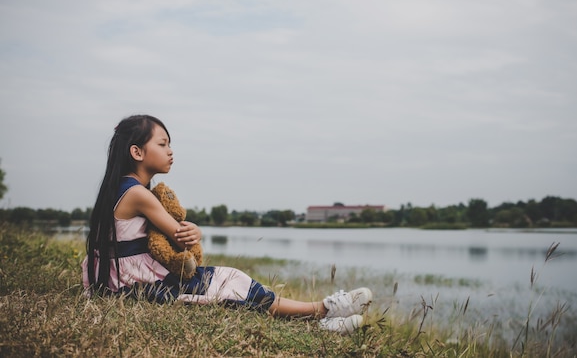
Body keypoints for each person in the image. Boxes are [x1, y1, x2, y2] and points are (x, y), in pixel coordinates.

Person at [82, 114, 372, 334]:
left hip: (123, 281)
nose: (170, 150)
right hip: (137, 287)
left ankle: (322, 315)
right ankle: (321, 313)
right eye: (162, 144)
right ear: (137, 153)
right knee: (229, 280)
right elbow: (178, 236)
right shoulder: (138, 194)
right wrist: (194, 231)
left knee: (224, 283)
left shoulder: (122, 188)